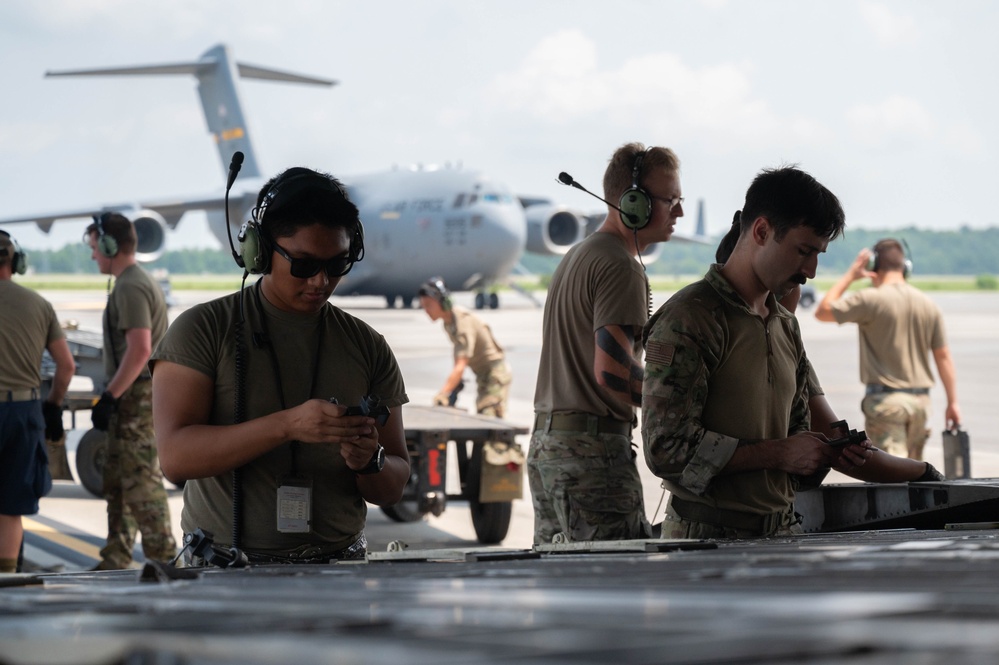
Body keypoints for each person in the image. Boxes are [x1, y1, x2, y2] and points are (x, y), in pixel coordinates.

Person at [151, 167, 410, 564]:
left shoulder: (367, 345)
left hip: (338, 568)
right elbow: (175, 459)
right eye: (304, 265)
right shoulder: (204, 330)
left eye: (338, 264)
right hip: (224, 570)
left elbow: (392, 484)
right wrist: (287, 426)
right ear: (260, 251)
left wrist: (369, 460)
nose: (321, 281)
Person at [642, 166, 873, 540]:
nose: (810, 270)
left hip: (781, 534)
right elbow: (665, 449)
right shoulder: (692, 318)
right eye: (803, 251)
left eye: (818, 254)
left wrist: (822, 454)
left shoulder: (785, 325)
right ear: (762, 231)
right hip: (704, 544)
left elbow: (796, 432)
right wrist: (779, 454)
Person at [528, 142, 684, 544]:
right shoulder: (619, 265)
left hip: (550, 445)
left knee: (566, 589)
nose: (679, 213)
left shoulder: (578, 255)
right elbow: (612, 370)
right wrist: (677, 404)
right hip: (590, 457)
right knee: (616, 587)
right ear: (635, 204)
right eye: (671, 200)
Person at [715, 218, 944, 484]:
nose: (802, 282)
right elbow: (837, 445)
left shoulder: (717, 326)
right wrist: (925, 472)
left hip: (763, 510)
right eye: (794, 282)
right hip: (747, 514)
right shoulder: (780, 344)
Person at [85, 213, 176, 569]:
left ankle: (163, 558)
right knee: (119, 477)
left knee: (140, 480)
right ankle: (117, 555)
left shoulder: (131, 286)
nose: (94, 255)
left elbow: (140, 349)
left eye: (95, 247)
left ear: (110, 246)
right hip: (130, 394)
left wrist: (110, 396)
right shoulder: (130, 282)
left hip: (135, 396)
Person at [814, 240, 960, 461]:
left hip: (887, 405)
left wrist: (851, 276)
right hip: (921, 404)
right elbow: (943, 356)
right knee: (914, 475)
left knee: (892, 479)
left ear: (873, 266)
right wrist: (952, 402)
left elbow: (822, 311)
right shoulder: (928, 304)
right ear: (905, 267)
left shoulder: (870, 299)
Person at [0, 230, 75, 573]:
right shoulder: (38, 304)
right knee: (11, 507)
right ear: (15, 263)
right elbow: (66, 365)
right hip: (22, 412)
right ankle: (7, 578)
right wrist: (53, 405)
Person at [417, 276, 511, 416]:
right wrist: (454, 385)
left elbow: (460, 365)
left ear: (444, 303)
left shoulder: (462, 323)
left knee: (490, 419)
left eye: (429, 306)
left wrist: (444, 393)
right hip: (482, 375)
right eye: (423, 306)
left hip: (494, 374)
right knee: (484, 417)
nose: (426, 311)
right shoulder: (449, 323)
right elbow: (459, 359)